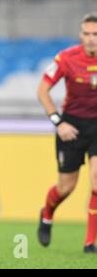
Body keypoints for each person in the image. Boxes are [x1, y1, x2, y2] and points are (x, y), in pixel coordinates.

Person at [37, 13, 97, 253]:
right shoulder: (66, 58)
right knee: (66, 188)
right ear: (80, 35)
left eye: (96, 34)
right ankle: (47, 213)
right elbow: (43, 90)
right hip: (71, 127)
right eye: (87, 34)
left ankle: (90, 242)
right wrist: (58, 122)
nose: (92, 39)